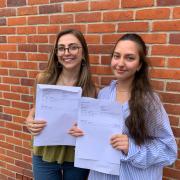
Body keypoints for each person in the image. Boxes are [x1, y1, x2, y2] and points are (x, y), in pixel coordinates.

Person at [69, 33, 177, 180]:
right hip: (103, 175)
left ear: (139, 65)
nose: (120, 63)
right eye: (116, 56)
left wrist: (130, 147)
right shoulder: (104, 95)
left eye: (129, 58)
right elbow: (101, 137)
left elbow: (168, 150)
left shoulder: (149, 102)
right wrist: (84, 132)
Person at [26, 29, 96, 180]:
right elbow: (35, 109)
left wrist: (85, 129)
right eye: (61, 48)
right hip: (44, 153)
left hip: (76, 157)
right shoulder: (43, 79)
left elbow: (91, 127)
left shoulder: (90, 89)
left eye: (73, 47)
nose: (66, 52)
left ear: (83, 52)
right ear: (56, 53)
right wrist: (29, 120)